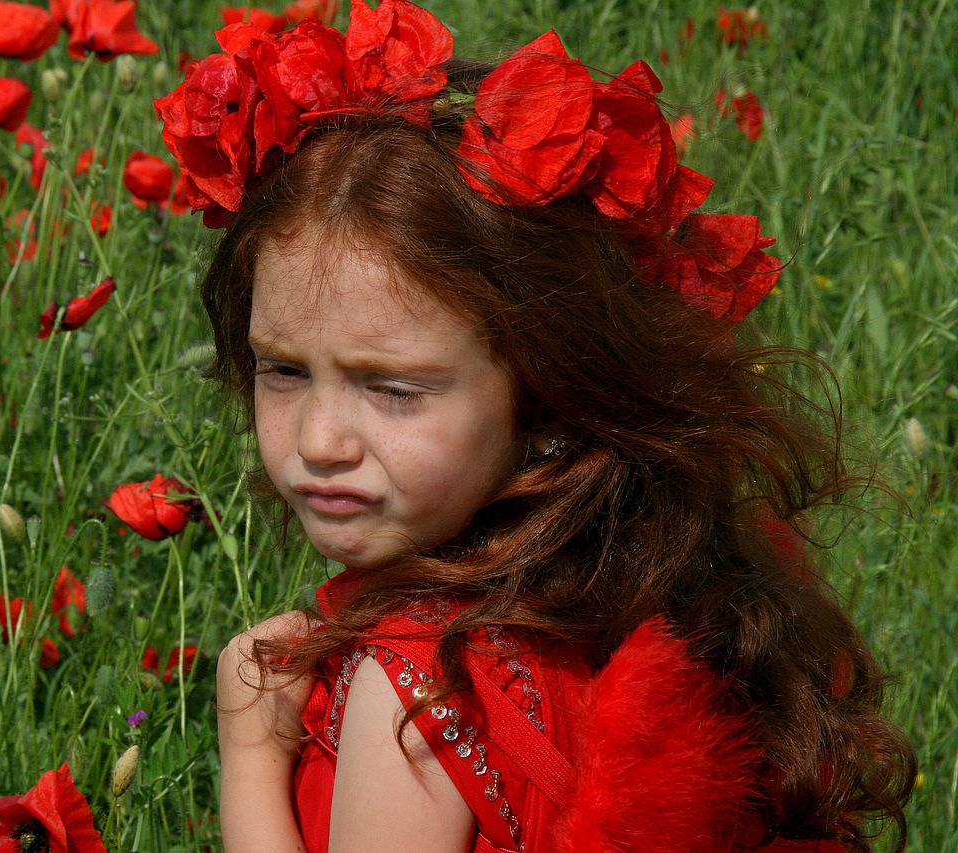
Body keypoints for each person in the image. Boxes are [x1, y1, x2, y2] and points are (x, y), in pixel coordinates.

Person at [155, 1, 917, 851]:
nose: (320, 440)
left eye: (397, 389)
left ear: (545, 390)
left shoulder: (415, 687)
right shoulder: (614, 596)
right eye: (285, 370)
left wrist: (251, 753)